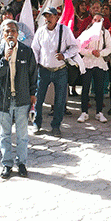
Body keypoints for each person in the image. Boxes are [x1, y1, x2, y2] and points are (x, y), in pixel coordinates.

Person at [0, 19, 37, 179]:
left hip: (22, 99)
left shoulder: (26, 51)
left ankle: (22, 163)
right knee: (5, 134)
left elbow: (33, 74)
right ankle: (7, 164)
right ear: (3, 34)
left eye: (13, 31)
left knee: (22, 135)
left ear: (18, 34)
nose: (10, 34)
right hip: (4, 99)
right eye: (7, 31)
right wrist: (4, 58)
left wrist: (33, 94)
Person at [31, 7, 79, 137]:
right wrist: (35, 66)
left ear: (56, 18)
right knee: (38, 98)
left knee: (60, 100)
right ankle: (37, 123)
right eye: (46, 16)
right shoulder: (40, 31)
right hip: (44, 70)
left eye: (51, 16)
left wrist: (65, 55)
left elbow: (75, 46)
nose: (48, 19)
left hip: (60, 70)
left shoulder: (65, 31)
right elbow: (35, 49)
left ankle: (56, 126)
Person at [77, 14, 111, 124]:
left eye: (99, 20)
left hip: (99, 63)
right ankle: (84, 112)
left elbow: (109, 48)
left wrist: (100, 53)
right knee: (85, 87)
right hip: (87, 63)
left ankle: (99, 112)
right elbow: (80, 47)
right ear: (92, 21)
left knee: (99, 88)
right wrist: (90, 52)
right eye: (95, 20)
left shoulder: (105, 33)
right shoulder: (86, 33)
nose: (97, 22)